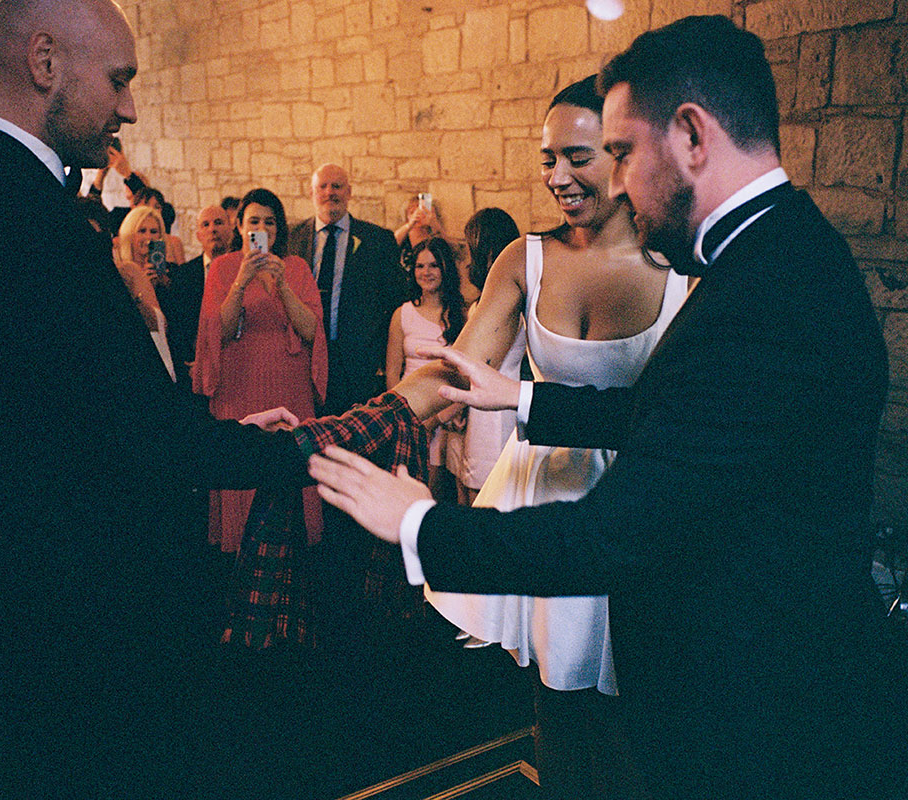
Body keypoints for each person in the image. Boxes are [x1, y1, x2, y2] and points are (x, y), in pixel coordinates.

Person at [308, 15, 905, 800]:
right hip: (739, 664)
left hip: (753, 702)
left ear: (691, 135)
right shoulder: (776, 249)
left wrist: (419, 523)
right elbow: (680, 420)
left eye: (621, 153)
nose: (615, 183)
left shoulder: (764, 293)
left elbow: (611, 533)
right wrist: (520, 396)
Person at [0, 1, 309, 795]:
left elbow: (84, 403)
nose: (128, 107)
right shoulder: (19, 214)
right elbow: (138, 439)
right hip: (77, 605)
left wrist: (215, 424)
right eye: (120, 79)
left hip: (26, 579)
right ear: (45, 62)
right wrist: (312, 446)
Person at [423, 77, 687, 796]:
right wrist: (363, 424)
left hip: (639, 507)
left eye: (577, 157)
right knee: (559, 703)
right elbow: (459, 369)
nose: (557, 178)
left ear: (626, 156)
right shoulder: (523, 260)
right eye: (547, 159)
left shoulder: (682, 272)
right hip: (550, 497)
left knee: (639, 714)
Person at [192, 188, 325, 557]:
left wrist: (281, 285)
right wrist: (240, 282)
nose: (261, 227)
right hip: (240, 385)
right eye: (254, 221)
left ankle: (296, 555)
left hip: (289, 385)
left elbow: (313, 330)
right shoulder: (222, 268)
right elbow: (216, 331)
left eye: (269, 221)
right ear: (240, 226)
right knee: (243, 467)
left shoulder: (296, 268)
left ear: (278, 228)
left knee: (289, 463)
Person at [288, 163, 403, 417]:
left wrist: (381, 359)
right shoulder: (291, 239)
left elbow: (395, 302)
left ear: (349, 192)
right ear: (312, 193)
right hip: (303, 361)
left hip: (358, 367)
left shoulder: (378, 241)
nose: (330, 192)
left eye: (337, 186)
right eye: (323, 187)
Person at [385, 236, 466, 495]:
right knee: (408, 491)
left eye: (433, 265)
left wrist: (441, 417)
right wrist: (404, 415)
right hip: (409, 412)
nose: (426, 272)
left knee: (440, 493)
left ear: (445, 269)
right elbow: (392, 372)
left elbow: (468, 373)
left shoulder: (461, 315)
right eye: (420, 266)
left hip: (448, 414)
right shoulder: (402, 314)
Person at [454, 208, 521, 508]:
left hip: (497, 414)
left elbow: (476, 363)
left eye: (470, 249)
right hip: (487, 407)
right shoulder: (511, 295)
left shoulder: (501, 304)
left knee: (485, 498)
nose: (468, 261)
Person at [160, 204, 232, 388]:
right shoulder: (182, 276)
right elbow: (177, 328)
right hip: (193, 370)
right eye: (205, 225)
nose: (212, 229)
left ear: (231, 228)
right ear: (198, 235)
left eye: (218, 223)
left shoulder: (242, 270)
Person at [114, 204, 177, 380]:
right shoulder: (122, 274)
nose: (148, 237)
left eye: (154, 231)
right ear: (129, 235)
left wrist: (163, 285)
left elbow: (176, 323)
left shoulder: (172, 275)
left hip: (168, 358)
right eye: (142, 231)